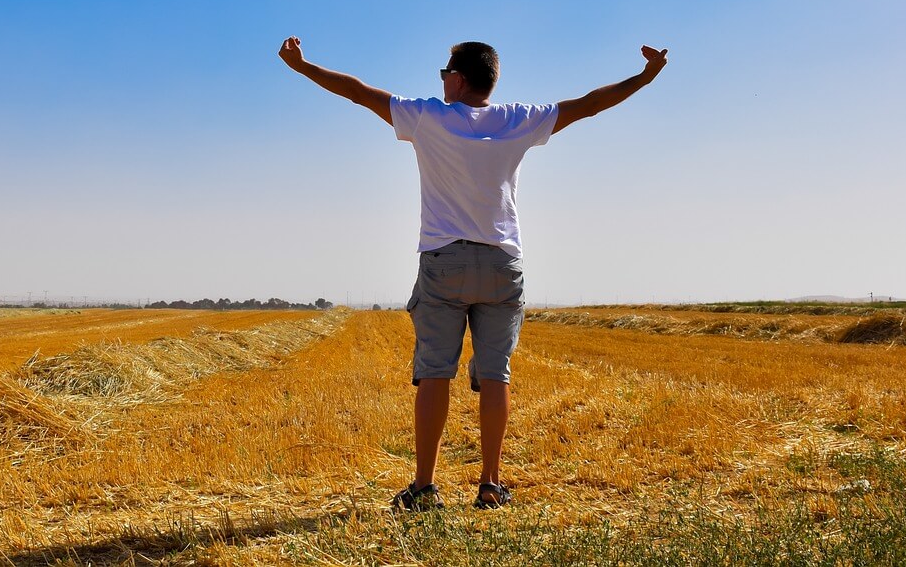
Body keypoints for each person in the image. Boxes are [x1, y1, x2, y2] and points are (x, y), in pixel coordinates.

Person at [277, 36, 668, 510]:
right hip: (502, 264)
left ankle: (423, 488)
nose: (440, 80)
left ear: (458, 79)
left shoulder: (427, 117)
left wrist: (302, 66)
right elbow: (588, 105)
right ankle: (490, 484)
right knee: (495, 374)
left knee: (435, 372)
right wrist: (645, 78)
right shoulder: (519, 119)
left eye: (444, 73)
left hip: (444, 262)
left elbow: (358, 92)